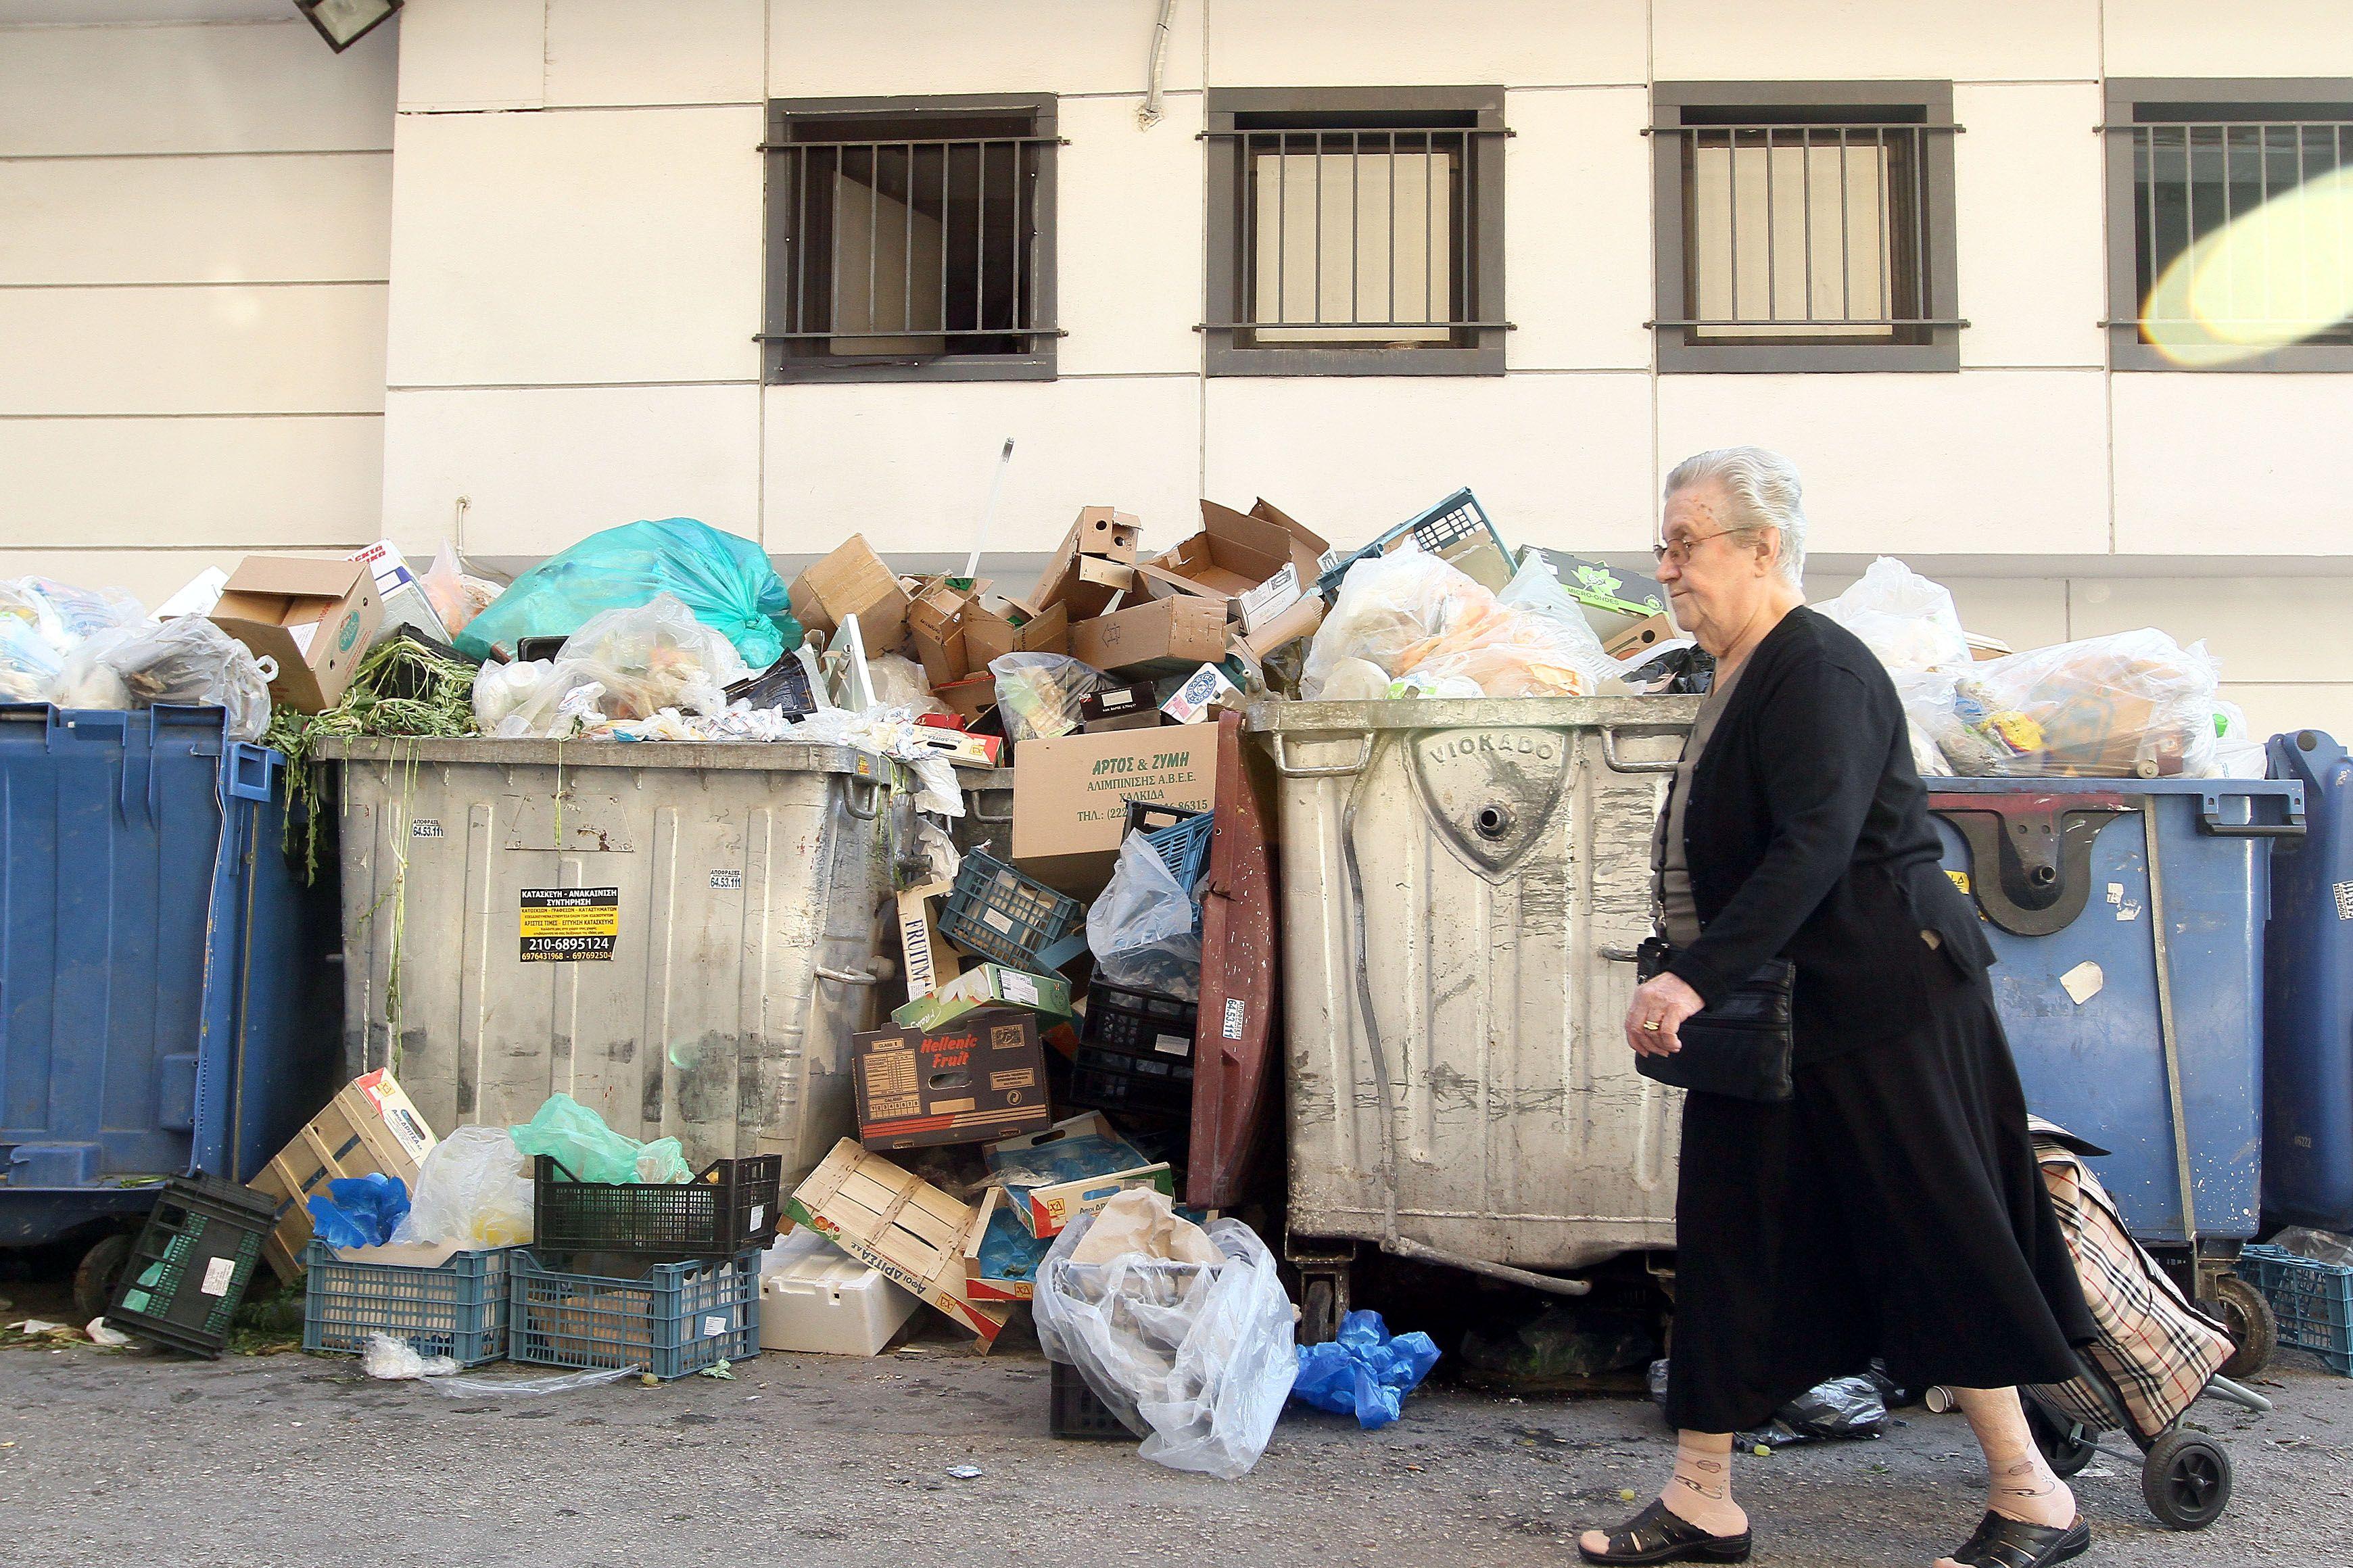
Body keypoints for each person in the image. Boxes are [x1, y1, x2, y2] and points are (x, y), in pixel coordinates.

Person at [1578, 449, 2099, 1568]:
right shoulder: (1740, 671)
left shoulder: (1820, 668)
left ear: (1763, 549)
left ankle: (2034, 1495)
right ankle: (1704, 1498)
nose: (1666, 569)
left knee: (1938, 1233)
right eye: (1662, 547)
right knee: (1731, 1238)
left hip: (1884, 1002)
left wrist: (1690, 975)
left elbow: (1813, 847)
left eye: (1687, 544)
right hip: (1782, 1008)